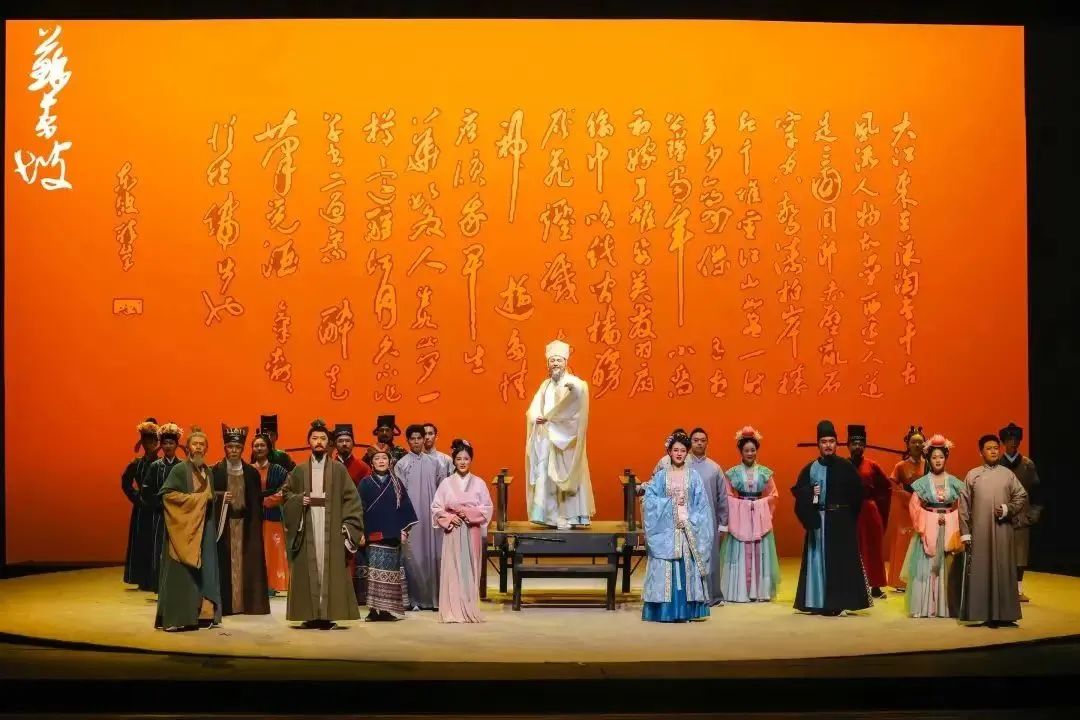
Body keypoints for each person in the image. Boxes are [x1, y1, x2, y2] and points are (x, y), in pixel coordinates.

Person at [282, 418, 365, 629]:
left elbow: (352, 499)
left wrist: (347, 527)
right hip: (307, 524)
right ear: (309, 442)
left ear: (329, 443)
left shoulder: (338, 470)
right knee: (308, 568)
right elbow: (286, 494)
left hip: (331, 526)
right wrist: (299, 500)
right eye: (314, 438)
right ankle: (310, 615)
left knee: (329, 569)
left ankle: (328, 615)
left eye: (323, 438)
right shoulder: (299, 470)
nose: (319, 442)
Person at [792, 420, 871, 616]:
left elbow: (857, 495)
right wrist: (810, 494)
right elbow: (799, 495)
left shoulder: (846, 467)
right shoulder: (810, 469)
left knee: (841, 563)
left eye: (831, 441)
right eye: (824, 441)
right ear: (818, 444)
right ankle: (817, 601)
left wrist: (848, 519)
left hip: (841, 522)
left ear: (837, 444)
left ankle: (839, 602)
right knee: (817, 561)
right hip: (818, 523)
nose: (828, 445)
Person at [642, 430, 714, 622]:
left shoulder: (694, 477)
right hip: (666, 531)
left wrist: (689, 521)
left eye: (682, 450)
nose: (679, 454)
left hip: (687, 528)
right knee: (666, 567)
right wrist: (671, 505)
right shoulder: (660, 477)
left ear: (687, 452)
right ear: (669, 452)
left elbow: (702, 506)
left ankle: (687, 611)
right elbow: (649, 501)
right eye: (675, 450)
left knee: (687, 567)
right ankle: (664, 611)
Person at [154, 426, 222, 631]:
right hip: (182, 530)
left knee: (206, 569)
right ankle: (177, 617)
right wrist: (199, 500)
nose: (198, 447)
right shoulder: (179, 470)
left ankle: (203, 613)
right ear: (188, 447)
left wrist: (210, 500)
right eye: (195, 444)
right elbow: (167, 495)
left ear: (206, 448)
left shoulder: (208, 472)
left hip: (204, 528)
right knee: (180, 572)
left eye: (202, 444)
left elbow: (210, 498)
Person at [525, 338, 595, 529]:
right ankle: (549, 516)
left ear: (565, 362)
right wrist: (537, 417)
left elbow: (579, 394)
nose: (555, 363)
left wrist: (574, 391)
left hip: (565, 439)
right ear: (548, 364)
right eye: (552, 360)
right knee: (546, 477)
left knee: (566, 477)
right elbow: (533, 408)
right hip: (547, 438)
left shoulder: (573, 382)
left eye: (559, 360)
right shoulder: (545, 385)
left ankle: (570, 516)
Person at [959, 434, 1027, 627]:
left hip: (1003, 531)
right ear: (981, 452)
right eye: (989, 448)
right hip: (980, 533)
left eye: (996, 448)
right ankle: (981, 612)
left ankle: (1005, 614)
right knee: (982, 570)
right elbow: (963, 505)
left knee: (1003, 569)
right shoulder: (973, 475)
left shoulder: (1008, 474)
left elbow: (1021, 495)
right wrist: (965, 533)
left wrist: (1007, 509)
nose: (993, 451)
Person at [901, 434, 965, 618]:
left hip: (949, 525)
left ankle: (947, 607)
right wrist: (926, 522)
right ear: (928, 459)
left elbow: (963, 505)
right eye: (934, 457)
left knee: (948, 564)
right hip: (928, 527)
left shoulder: (954, 482)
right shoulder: (922, 483)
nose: (938, 460)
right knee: (927, 566)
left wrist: (953, 518)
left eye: (941, 457)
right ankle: (925, 607)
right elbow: (914, 506)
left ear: (946, 458)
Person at [432, 439, 492, 623]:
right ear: (454, 461)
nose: (462, 462)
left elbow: (487, 508)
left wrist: (469, 514)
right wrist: (450, 517)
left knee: (470, 570)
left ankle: (469, 608)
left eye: (466, 458)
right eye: (459, 459)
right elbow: (436, 508)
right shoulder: (446, 483)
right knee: (453, 568)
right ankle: (452, 610)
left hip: (471, 530)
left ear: (471, 460)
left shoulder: (479, 483)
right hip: (454, 530)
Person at [212, 425, 269, 616]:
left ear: (243, 449)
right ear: (225, 448)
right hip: (224, 526)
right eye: (230, 447)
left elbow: (256, 503)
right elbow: (208, 497)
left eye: (237, 447)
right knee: (226, 565)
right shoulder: (216, 471)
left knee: (246, 565)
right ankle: (227, 605)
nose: (234, 450)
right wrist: (220, 497)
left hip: (245, 526)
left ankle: (246, 605)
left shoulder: (251, 473)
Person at [719, 426, 780, 603]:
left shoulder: (765, 473)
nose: (750, 453)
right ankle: (739, 591)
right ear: (741, 451)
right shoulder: (732, 473)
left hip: (759, 518)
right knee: (740, 551)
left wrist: (759, 504)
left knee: (760, 550)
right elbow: (727, 496)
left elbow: (773, 495)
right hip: (741, 519)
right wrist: (743, 506)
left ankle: (760, 591)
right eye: (746, 450)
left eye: (753, 450)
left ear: (756, 450)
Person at [357, 449, 419, 620]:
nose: (381, 461)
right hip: (372, 534)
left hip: (392, 535)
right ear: (372, 463)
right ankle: (373, 610)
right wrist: (360, 531)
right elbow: (358, 509)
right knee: (374, 574)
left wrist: (404, 530)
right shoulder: (365, 483)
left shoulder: (396, 483)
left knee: (391, 574)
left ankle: (386, 610)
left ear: (390, 461)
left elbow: (405, 507)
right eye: (377, 458)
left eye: (384, 458)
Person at [394, 424, 444, 610]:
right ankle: (414, 600)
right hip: (411, 520)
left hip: (431, 518)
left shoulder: (435, 463)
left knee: (432, 556)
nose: (416, 442)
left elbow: (442, 490)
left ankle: (434, 599)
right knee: (413, 558)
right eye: (412, 439)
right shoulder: (402, 464)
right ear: (407, 441)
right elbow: (398, 495)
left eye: (419, 438)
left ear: (424, 440)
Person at [847, 424, 892, 599]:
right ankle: (852, 584)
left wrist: (876, 503)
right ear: (848, 445)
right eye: (854, 444)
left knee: (872, 549)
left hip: (869, 511)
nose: (857, 447)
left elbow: (886, 487)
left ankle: (875, 586)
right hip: (850, 511)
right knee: (851, 548)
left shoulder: (872, 466)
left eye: (861, 444)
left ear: (864, 446)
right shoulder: (843, 465)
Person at [998, 422, 1041, 602]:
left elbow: (1037, 490)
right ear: (1003, 442)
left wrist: (1033, 514)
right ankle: (1001, 589)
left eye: (1016, 439)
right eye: (1009, 439)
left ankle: (1018, 589)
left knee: (1020, 553)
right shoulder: (997, 464)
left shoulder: (1027, 464)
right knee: (1001, 552)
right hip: (1002, 511)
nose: (1013, 442)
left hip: (1022, 513)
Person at [143, 422, 184, 593]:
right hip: (160, 514)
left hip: (179, 516)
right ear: (161, 445)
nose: (168, 446)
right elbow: (146, 490)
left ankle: (177, 583)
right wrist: (158, 504)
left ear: (176, 445)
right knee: (159, 547)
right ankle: (159, 585)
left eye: (171, 443)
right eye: (165, 443)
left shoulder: (182, 466)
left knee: (178, 548)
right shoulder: (155, 466)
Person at [885, 426, 927, 591]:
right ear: (908, 445)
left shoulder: (929, 464)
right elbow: (893, 484)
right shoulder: (901, 466)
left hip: (924, 507)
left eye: (920, 442)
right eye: (913, 442)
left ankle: (921, 579)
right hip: (906, 508)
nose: (917, 445)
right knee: (905, 541)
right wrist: (907, 497)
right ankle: (902, 581)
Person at [122, 418, 161, 590]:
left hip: (158, 509)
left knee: (156, 543)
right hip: (141, 510)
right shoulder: (136, 464)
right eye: (147, 441)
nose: (150, 444)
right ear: (142, 442)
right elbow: (125, 483)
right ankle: (141, 578)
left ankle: (155, 579)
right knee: (141, 543)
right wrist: (136, 497)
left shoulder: (162, 464)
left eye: (153, 441)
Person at [252, 431, 290, 596]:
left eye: (262, 445)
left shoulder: (278, 470)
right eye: (256, 446)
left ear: (268, 448)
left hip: (273, 516)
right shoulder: (247, 470)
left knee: (273, 550)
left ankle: (275, 584)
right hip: (253, 518)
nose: (259, 448)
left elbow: (286, 489)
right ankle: (256, 585)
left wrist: (267, 500)